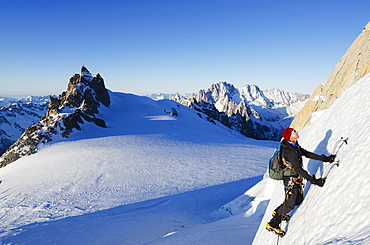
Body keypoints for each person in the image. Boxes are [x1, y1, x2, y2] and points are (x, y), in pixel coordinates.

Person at [266, 128, 335, 237]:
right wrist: (314, 181)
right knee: (290, 204)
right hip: (290, 179)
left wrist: (325, 159)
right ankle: (273, 224)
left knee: (297, 200)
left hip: (294, 177)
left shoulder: (294, 146)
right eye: (294, 132)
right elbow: (298, 169)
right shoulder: (289, 151)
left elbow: (307, 154)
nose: (297, 132)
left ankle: (278, 212)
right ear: (289, 137)